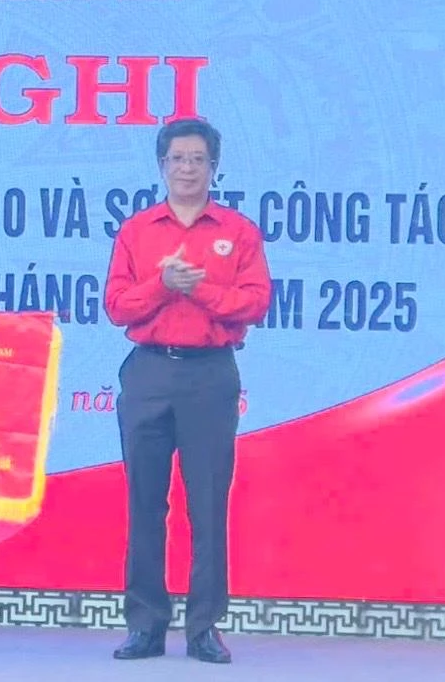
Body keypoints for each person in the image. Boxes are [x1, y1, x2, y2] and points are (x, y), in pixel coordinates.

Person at [103, 118, 271, 664]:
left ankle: (204, 628)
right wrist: (162, 285)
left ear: (214, 168)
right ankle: (145, 626)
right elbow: (117, 306)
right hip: (149, 373)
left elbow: (256, 302)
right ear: (162, 166)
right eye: (177, 159)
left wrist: (202, 290)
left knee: (208, 503)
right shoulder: (137, 231)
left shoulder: (238, 231)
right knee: (145, 503)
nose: (187, 168)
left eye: (198, 159)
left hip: (210, 375)